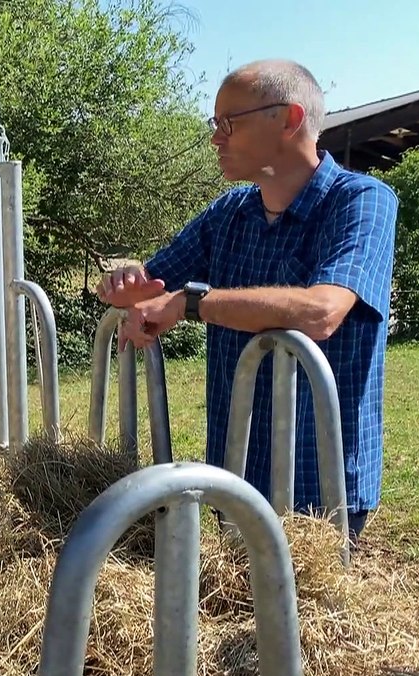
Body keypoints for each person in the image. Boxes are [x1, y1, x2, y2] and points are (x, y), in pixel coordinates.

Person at [95, 58, 398, 542]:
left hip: (319, 491)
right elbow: (153, 282)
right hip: (235, 474)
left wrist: (190, 304)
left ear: (290, 119)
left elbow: (322, 311)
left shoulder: (361, 201)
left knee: (303, 595)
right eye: (214, 123)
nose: (215, 138)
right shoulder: (229, 213)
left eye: (228, 123)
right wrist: (126, 286)